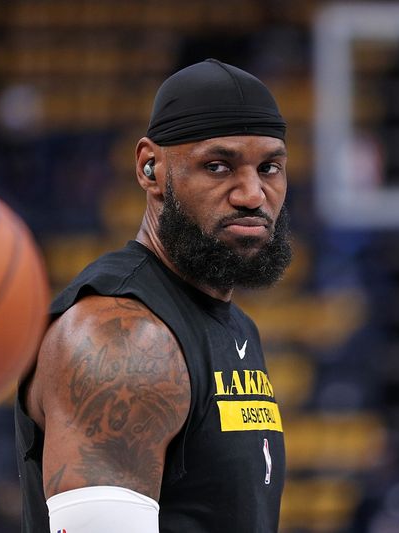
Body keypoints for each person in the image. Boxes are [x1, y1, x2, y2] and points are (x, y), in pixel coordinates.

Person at [15, 58, 293, 532]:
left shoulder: (232, 324)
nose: (252, 193)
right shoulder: (122, 338)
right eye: (218, 166)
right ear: (150, 168)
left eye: (269, 167)